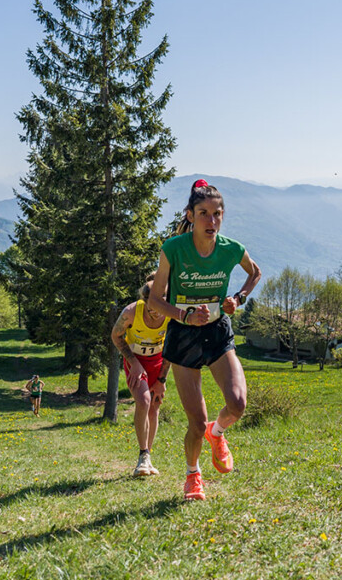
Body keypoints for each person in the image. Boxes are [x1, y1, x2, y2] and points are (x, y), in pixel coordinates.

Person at [148, 179, 261, 501]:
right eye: (204, 214)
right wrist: (183, 315)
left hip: (217, 330)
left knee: (237, 404)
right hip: (183, 335)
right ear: (191, 215)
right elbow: (155, 299)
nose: (211, 221)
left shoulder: (232, 249)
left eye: (217, 214)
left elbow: (255, 273)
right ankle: (193, 475)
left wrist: (237, 298)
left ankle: (218, 432)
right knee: (195, 423)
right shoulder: (174, 248)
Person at [111, 274, 170, 477]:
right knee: (143, 402)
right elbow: (115, 335)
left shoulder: (172, 314)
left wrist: (162, 380)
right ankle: (142, 455)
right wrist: (133, 363)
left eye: (159, 305)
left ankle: (148, 457)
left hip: (159, 362)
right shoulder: (131, 312)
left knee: (154, 407)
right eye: (150, 305)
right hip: (136, 361)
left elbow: (173, 347)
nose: (154, 311)